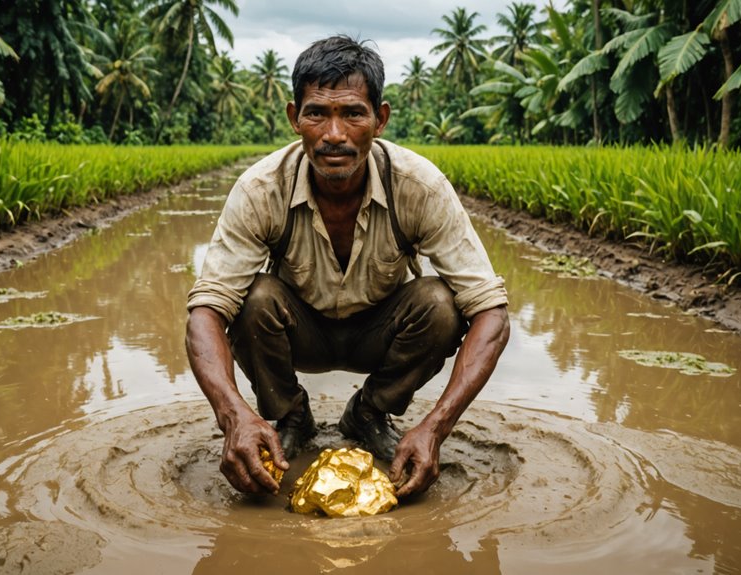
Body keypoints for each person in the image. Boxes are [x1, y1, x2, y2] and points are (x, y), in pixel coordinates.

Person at [185, 35, 509, 499]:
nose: (334, 134)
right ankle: (290, 415)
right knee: (251, 299)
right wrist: (234, 415)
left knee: (441, 304)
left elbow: (492, 313)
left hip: (380, 334)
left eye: (352, 113)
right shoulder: (260, 189)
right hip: (299, 331)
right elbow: (206, 313)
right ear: (294, 117)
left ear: (380, 119)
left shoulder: (420, 186)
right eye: (317, 112)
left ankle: (369, 413)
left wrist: (434, 428)